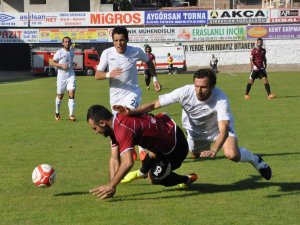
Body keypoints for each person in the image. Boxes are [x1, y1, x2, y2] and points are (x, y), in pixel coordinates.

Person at [114, 68, 272, 183]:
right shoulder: (185, 91)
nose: (199, 90)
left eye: (203, 87)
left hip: (217, 130)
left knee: (232, 154)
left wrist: (214, 149)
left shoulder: (221, 98)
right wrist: (132, 111)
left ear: (212, 87)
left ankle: (255, 159)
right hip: (195, 132)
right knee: (194, 155)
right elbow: (155, 104)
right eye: (197, 86)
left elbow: (223, 130)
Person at [87, 105, 198, 199]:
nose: (96, 132)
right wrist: (111, 185)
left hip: (176, 147)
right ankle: (143, 171)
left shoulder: (121, 129)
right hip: (166, 131)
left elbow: (128, 162)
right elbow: (114, 158)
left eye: (94, 128)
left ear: (102, 123)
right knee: (153, 153)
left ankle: (186, 179)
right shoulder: (116, 123)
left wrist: (112, 185)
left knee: (154, 178)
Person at [95, 26, 161, 161]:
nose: (119, 43)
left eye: (122, 40)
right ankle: (128, 148)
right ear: (113, 41)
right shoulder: (107, 53)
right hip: (115, 97)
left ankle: (142, 149)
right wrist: (109, 74)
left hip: (133, 92)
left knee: (129, 115)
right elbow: (97, 75)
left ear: (127, 40)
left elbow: (148, 62)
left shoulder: (136, 51)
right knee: (118, 126)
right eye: (116, 40)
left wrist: (155, 79)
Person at [50, 36, 76, 122]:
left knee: (72, 92)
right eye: (65, 42)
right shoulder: (59, 52)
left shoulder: (72, 51)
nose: (67, 43)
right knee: (60, 96)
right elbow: (51, 62)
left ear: (70, 43)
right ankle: (57, 112)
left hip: (71, 75)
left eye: (68, 42)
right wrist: (61, 65)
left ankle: (71, 115)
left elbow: (70, 61)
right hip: (61, 77)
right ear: (62, 43)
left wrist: (73, 64)